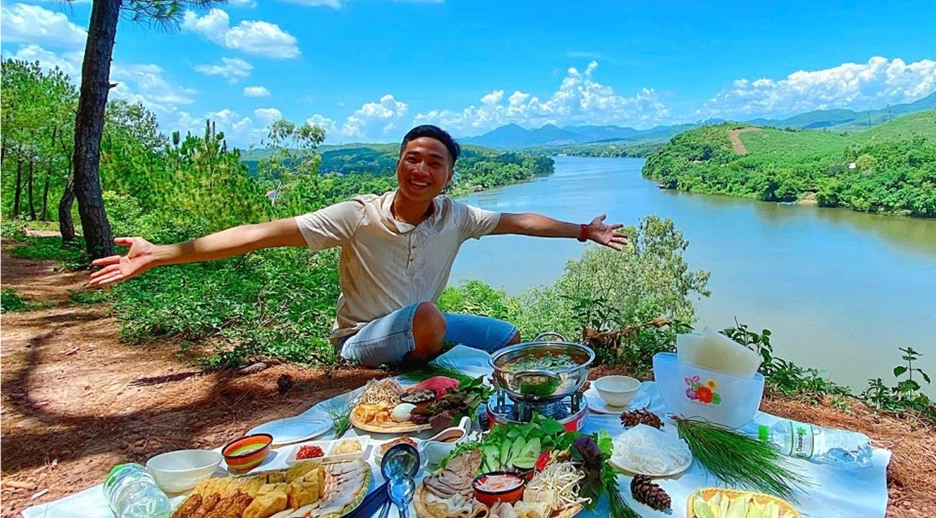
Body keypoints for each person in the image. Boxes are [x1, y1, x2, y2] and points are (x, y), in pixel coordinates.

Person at [89, 125, 627, 368]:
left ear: (449, 177)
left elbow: (517, 220)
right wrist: (163, 251)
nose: (421, 168)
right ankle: (421, 381)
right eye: (412, 157)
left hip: (421, 323)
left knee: (507, 337)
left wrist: (582, 231)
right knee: (429, 320)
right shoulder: (356, 215)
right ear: (398, 163)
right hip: (360, 339)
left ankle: (445, 363)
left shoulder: (457, 216)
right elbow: (260, 234)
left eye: (434, 162)